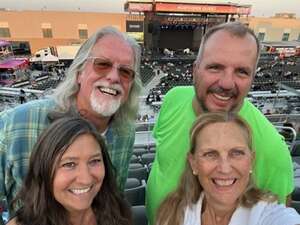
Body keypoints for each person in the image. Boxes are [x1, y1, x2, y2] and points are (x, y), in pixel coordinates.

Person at [146, 21, 294, 224]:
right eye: (215, 67)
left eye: (242, 71)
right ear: (195, 70)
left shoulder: (272, 151)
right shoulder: (173, 99)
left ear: (252, 78)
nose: (226, 83)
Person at [0, 26, 142, 224]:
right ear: (79, 73)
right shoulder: (15, 123)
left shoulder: (124, 133)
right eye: (102, 64)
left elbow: (111, 197)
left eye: (125, 72)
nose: (114, 77)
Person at [155, 112, 300, 225]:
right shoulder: (173, 212)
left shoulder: (269, 216)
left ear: (251, 161)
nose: (224, 169)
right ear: (193, 163)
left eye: (236, 153)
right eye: (210, 154)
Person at [6, 116, 132, 225]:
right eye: (69, 164)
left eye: (94, 161)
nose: (85, 179)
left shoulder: (117, 211)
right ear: (44, 169)